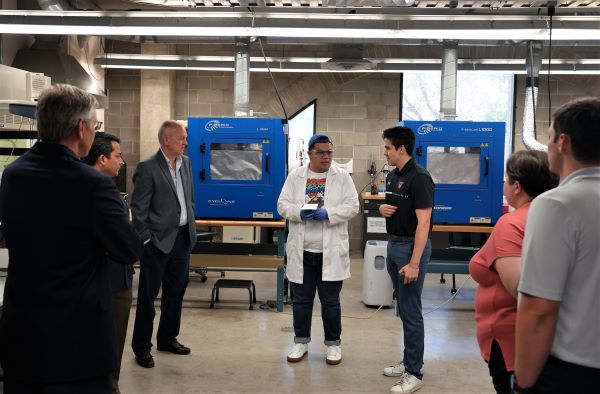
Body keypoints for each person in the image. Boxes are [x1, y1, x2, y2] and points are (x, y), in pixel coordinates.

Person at [0, 84, 142, 394]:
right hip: (77, 342)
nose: (94, 131)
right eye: (95, 125)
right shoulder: (93, 185)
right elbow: (128, 249)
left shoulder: (13, 175)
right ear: (82, 128)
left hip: (23, 333)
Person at [514, 97, 600, 394]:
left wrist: (523, 382)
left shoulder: (557, 205)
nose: (546, 145)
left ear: (562, 142)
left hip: (574, 373)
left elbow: (538, 309)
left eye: (548, 137)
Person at [469, 150, 558, 394]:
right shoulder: (553, 216)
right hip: (542, 338)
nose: (503, 184)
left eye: (507, 179)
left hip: (511, 340)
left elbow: (521, 289)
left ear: (516, 186)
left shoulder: (511, 223)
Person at [277, 134, 359, 366]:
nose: (326, 157)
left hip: (330, 251)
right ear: (310, 154)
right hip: (303, 250)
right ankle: (301, 341)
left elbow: (353, 205)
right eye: (321, 152)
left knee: (330, 302)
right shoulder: (296, 176)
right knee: (301, 301)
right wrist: (298, 212)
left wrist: (329, 213)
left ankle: (333, 345)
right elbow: (282, 205)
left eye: (330, 152)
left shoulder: (341, 177)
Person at [130, 120, 196, 369]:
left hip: (181, 239)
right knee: (148, 297)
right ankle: (142, 347)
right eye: (181, 138)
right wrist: (147, 239)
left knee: (176, 294)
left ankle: (168, 338)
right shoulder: (147, 167)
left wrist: (190, 225)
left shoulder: (186, 163)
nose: (185, 142)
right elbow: (138, 209)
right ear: (166, 140)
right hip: (157, 242)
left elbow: (189, 199)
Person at [378, 126, 434, 394]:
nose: (385, 152)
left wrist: (414, 262)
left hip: (412, 249)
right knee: (403, 309)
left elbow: (424, 224)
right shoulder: (393, 176)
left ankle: (414, 372)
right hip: (394, 246)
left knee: (411, 312)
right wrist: (381, 208)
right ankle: (409, 360)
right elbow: (392, 207)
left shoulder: (421, 178)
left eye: (388, 147)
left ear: (402, 149)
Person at [82, 132, 133, 394]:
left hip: (118, 278)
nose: (121, 161)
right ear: (102, 159)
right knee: (107, 347)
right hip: (109, 284)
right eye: (117, 156)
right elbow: (125, 244)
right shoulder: (97, 193)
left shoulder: (110, 191)